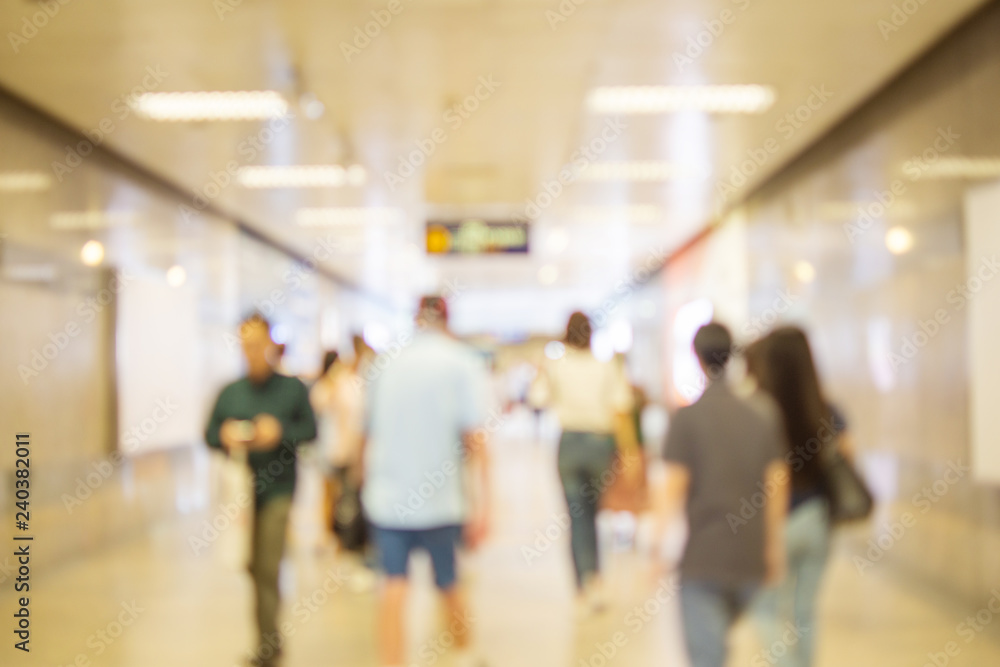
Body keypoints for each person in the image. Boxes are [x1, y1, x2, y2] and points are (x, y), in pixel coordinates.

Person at [361, 296, 491, 667]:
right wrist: (485, 504)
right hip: (441, 500)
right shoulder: (461, 362)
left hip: (388, 498)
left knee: (392, 585)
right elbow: (476, 440)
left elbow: (365, 434)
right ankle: (465, 654)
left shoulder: (384, 363)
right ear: (448, 320)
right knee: (449, 582)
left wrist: (359, 485)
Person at [662, 322, 789, 667]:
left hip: (704, 557)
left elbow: (673, 485)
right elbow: (777, 482)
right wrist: (773, 546)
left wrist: (656, 546)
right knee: (719, 643)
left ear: (696, 358)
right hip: (749, 558)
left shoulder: (687, 419)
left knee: (708, 656)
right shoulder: (762, 414)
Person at [205, 314, 318, 667]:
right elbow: (209, 434)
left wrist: (278, 432)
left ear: (271, 344)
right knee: (250, 563)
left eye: (257, 344)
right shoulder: (231, 392)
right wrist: (224, 436)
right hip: (240, 492)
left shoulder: (292, 389)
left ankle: (268, 644)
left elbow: (311, 431)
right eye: (245, 345)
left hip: (278, 488)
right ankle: (269, 637)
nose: (251, 352)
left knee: (267, 564)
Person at [747, 327, 854, 667]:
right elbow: (848, 457)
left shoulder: (758, 412)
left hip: (775, 521)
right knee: (805, 611)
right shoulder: (827, 410)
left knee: (765, 608)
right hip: (818, 519)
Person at [528, 311, 636, 615]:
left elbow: (537, 400)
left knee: (576, 516)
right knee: (595, 515)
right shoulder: (607, 366)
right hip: (601, 444)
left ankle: (582, 586)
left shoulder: (555, 366)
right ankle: (596, 582)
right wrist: (629, 454)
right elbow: (622, 409)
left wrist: (542, 373)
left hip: (570, 444)